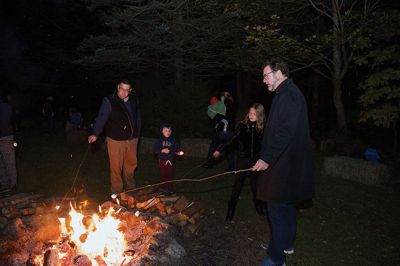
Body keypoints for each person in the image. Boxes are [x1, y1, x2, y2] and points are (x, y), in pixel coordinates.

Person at [252, 58, 314, 266]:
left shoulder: (290, 95)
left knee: (276, 207)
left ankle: (277, 258)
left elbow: (285, 133)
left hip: (284, 165)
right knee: (286, 205)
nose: (264, 80)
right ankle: (285, 244)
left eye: (265, 75)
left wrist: (266, 158)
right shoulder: (285, 93)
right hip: (285, 163)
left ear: (278, 73)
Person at [88, 79, 141, 194]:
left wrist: (137, 132)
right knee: (116, 167)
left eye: (127, 90)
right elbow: (101, 117)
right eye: (122, 89)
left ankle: (131, 190)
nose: (124, 92)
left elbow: (137, 116)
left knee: (131, 165)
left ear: (130, 90)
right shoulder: (109, 100)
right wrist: (95, 133)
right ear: (118, 87)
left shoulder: (133, 99)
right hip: (116, 140)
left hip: (132, 140)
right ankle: (116, 192)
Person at [221, 103, 266, 221]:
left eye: (254, 114)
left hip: (255, 163)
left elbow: (265, 147)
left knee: (255, 187)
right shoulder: (242, 126)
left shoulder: (261, 129)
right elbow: (233, 142)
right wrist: (220, 150)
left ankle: (259, 206)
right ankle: (230, 210)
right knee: (237, 187)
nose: (251, 116)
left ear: (259, 116)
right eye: (250, 113)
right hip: (242, 162)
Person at [153, 123, 181, 192]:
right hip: (162, 160)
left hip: (170, 160)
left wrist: (178, 152)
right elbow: (155, 150)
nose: (168, 132)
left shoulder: (173, 140)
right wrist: (162, 150)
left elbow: (176, 148)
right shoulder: (159, 140)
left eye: (169, 131)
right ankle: (163, 187)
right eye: (166, 131)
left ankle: (169, 187)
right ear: (162, 131)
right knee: (163, 173)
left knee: (170, 173)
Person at [0, 92, 17, 195]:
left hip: (6, 137)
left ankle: (11, 185)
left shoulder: (6, 107)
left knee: (8, 162)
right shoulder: (7, 106)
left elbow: (10, 119)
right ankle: (6, 185)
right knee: (5, 163)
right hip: (6, 137)